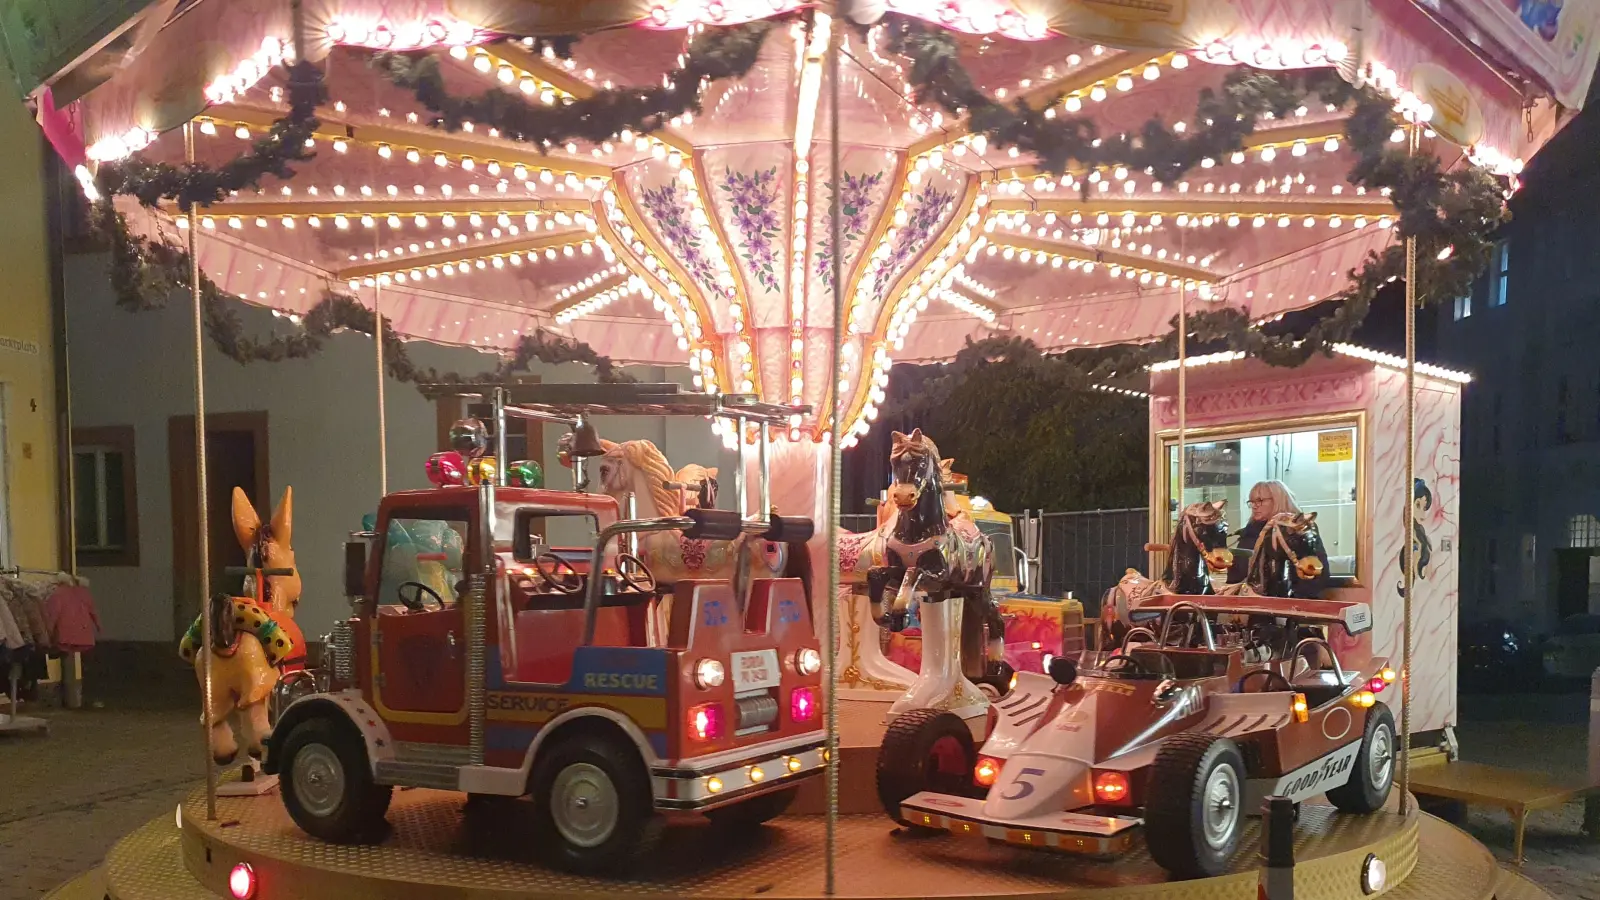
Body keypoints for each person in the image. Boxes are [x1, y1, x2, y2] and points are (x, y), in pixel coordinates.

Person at [1228, 480, 1331, 598]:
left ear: (1278, 500)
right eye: (1251, 502)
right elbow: (1236, 571)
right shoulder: (1250, 531)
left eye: (1260, 501)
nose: (1254, 506)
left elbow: (1319, 571)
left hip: (1296, 600)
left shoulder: (1301, 530)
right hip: (1252, 601)